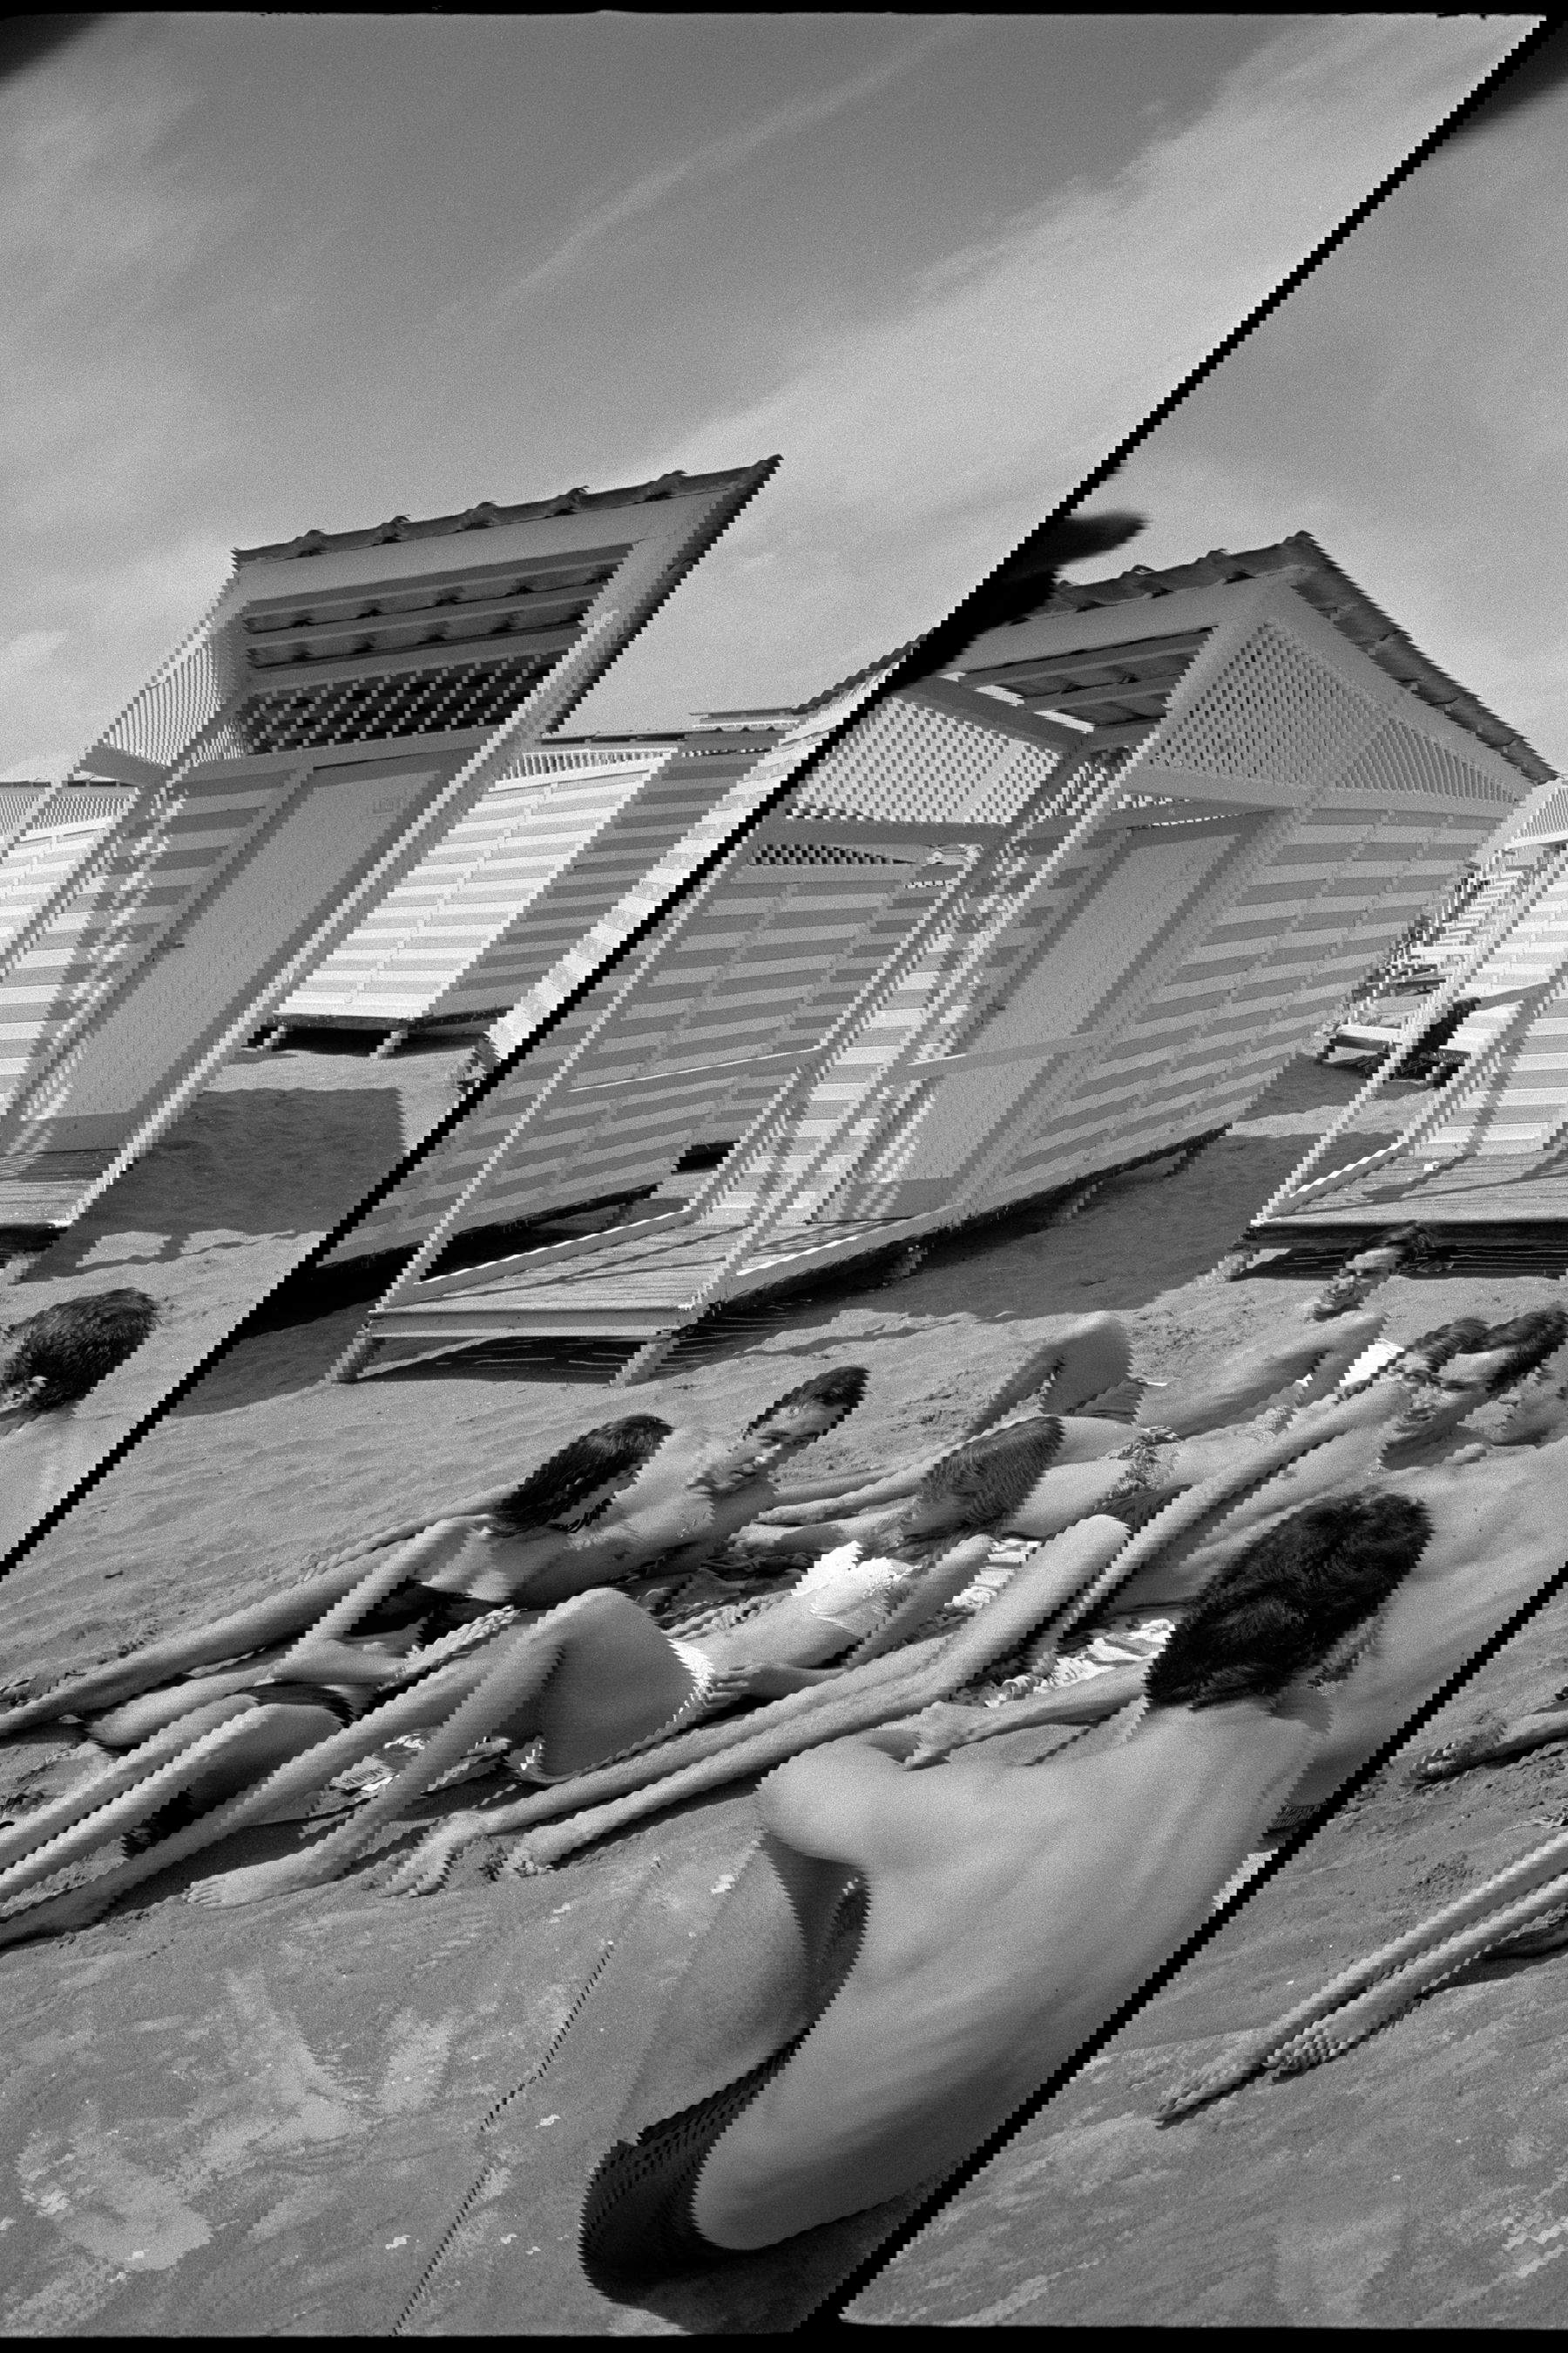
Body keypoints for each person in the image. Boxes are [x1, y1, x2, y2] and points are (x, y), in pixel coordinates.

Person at [580, 1491, 1432, 2281]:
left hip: (666, 2221)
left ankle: (661, 2127)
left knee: (808, 1839)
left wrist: (905, 1741)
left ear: (1210, 1617)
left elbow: (792, 1786)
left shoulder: (973, 1814)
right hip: (905, 2165)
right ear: (1342, 1649)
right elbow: (1191, 1699)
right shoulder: (1284, 1751)